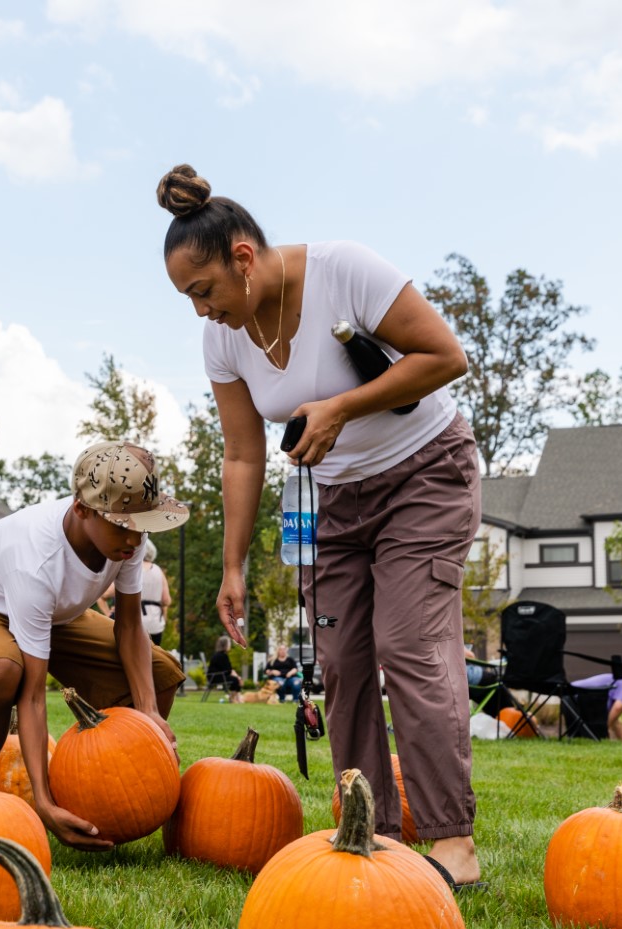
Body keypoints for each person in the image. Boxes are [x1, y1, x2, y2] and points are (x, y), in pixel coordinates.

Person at [157, 164, 482, 887]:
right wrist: (234, 566)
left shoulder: (345, 271)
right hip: (332, 501)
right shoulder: (225, 339)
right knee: (342, 662)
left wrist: (342, 408)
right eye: (188, 298)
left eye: (204, 291)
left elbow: (445, 357)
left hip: (425, 476)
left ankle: (453, 843)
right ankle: (374, 833)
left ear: (244, 258)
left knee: (408, 644)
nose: (201, 311)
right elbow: (242, 454)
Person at [0, 442, 188, 851]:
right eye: (122, 526)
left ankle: (100, 794)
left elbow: (130, 627)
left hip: (55, 614)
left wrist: (149, 711)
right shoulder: (37, 559)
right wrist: (44, 803)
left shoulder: (129, 538)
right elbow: (32, 697)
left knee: (161, 674)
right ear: (82, 509)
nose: (134, 538)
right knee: (2, 670)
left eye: (141, 526)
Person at [97, 537, 172, 644]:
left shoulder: (132, 569)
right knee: (153, 652)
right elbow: (166, 600)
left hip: (132, 624)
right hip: (155, 625)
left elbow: (104, 595)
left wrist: (108, 614)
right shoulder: (158, 571)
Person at [571, 672, 622, 741]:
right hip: (579, 696)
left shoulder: (621, 684)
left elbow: (615, 721)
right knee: (595, 737)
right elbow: (618, 708)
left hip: (572, 695)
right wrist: (605, 729)